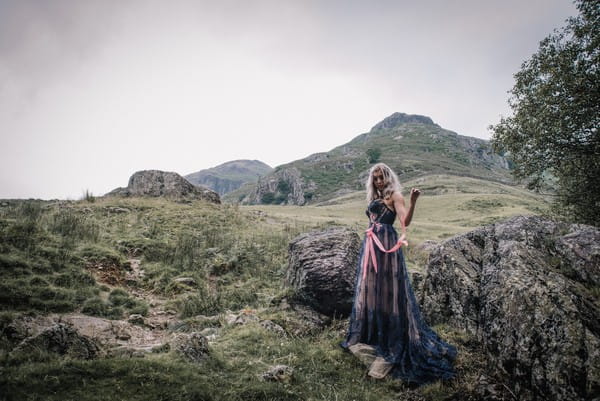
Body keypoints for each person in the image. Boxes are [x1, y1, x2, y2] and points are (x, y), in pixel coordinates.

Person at [339, 162, 457, 384]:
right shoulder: (374, 197)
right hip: (371, 244)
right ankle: (372, 331)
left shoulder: (395, 195)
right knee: (371, 288)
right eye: (375, 177)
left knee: (389, 288)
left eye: (382, 176)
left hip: (386, 245)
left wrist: (413, 203)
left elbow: (405, 222)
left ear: (388, 176)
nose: (379, 181)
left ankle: (392, 334)